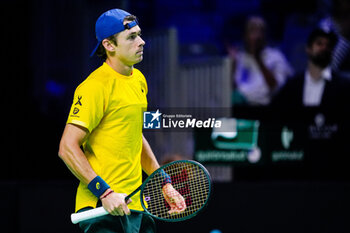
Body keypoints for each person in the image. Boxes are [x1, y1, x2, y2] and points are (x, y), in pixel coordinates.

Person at [58, 9, 186, 233]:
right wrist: (104, 192)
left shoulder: (138, 80)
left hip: (135, 207)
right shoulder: (94, 87)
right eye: (131, 37)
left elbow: (135, 136)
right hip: (103, 208)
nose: (142, 42)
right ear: (109, 45)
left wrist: (163, 182)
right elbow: (67, 147)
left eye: (139, 34)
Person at [227, 16, 293, 106]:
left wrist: (258, 60)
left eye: (261, 31)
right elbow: (232, 90)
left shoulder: (276, 56)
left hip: (265, 108)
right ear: (245, 35)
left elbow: (277, 89)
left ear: (266, 35)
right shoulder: (238, 57)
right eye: (252, 30)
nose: (257, 36)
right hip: (240, 107)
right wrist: (232, 66)